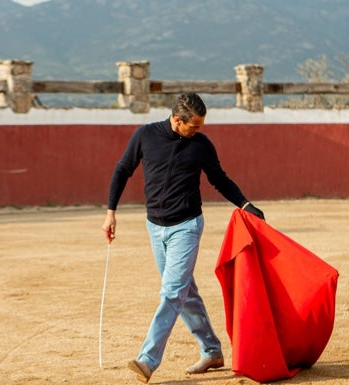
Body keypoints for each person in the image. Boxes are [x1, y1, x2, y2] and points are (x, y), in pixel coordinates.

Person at [101, 92, 264, 384]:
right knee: (184, 292)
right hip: (155, 227)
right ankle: (212, 351)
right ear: (177, 120)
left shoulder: (201, 145)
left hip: (187, 227)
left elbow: (220, 179)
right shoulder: (145, 136)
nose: (198, 130)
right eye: (194, 126)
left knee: (172, 292)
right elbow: (122, 169)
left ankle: (147, 360)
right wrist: (110, 212)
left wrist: (244, 204)